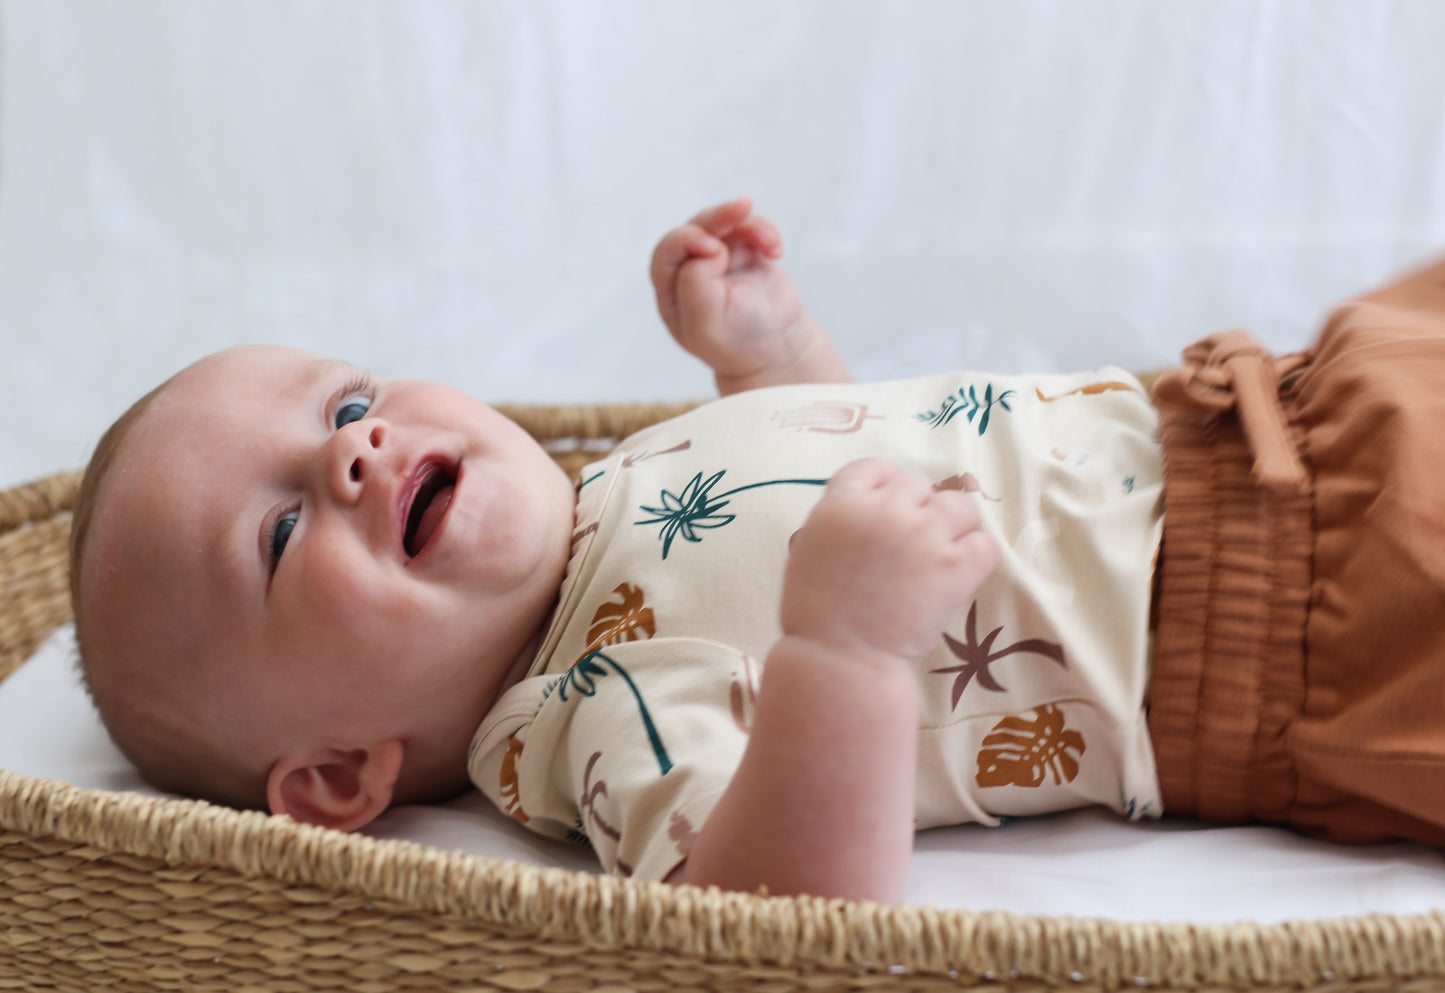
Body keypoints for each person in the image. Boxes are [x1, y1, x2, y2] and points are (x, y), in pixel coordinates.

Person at [67, 199, 1445, 904]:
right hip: (1298, 624)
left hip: (1269, 410)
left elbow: (837, 482)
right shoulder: (591, 715)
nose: (351, 450)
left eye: (348, 402)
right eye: (283, 528)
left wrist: (768, 359)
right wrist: (840, 650)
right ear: (332, 773)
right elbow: (780, 910)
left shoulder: (612, 491)